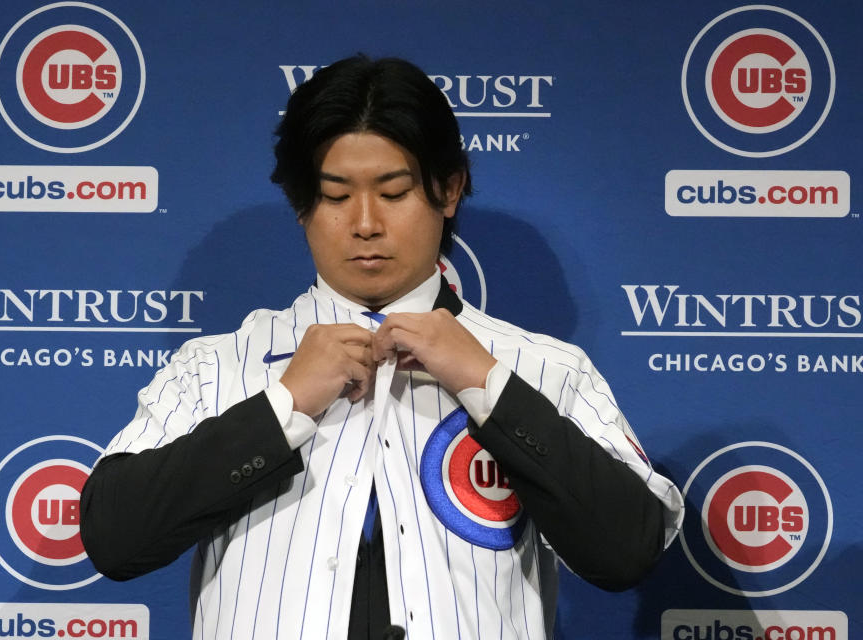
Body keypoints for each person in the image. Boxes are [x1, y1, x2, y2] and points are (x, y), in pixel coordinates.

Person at [79, 55, 684, 640]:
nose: (365, 223)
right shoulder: (212, 367)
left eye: (393, 193)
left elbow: (627, 550)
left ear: (449, 191)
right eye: (337, 196)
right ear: (300, 203)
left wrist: (487, 385)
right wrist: (285, 406)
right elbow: (114, 538)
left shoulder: (545, 369)